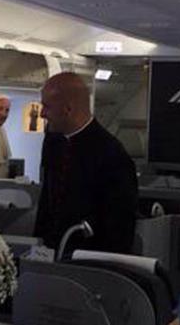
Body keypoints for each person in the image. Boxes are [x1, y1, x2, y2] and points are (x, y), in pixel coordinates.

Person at [34, 72, 138, 254]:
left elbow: (120, 227)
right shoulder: (53, 142)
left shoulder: (112, 154)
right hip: (50, 252)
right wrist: (38, 245)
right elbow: (47, 200)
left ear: (68, 109)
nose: (42, 113)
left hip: (89, 257)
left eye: (47, 107)